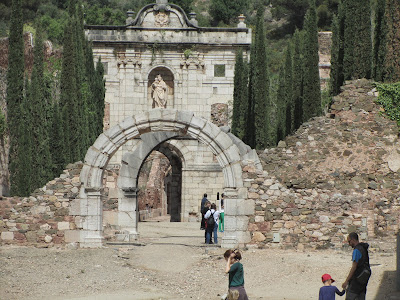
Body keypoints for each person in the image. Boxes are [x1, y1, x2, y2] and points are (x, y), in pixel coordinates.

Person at [342, 232, 371, 300]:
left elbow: (354, 267)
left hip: (356, 280)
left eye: (349, 241)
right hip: (364, 279)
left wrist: (346, 281)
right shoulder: (363, 248)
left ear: (353, 240)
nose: (349, 244)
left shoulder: (356, 250)